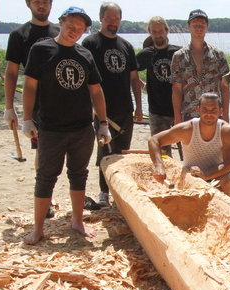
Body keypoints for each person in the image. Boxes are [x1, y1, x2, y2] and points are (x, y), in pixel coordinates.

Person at [20, 6, 109, 245]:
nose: (75, 32)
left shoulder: (85, 54)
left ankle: (77, 221)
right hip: (50, 128)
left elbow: (96, 91)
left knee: (79, 175)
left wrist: (102, 123)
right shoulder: (41, 50)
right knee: (46, 176)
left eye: (80, 30)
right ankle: (38, 228)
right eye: (71, 27)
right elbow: (30, 86)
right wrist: (26, 118)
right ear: (61, 22)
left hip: (81, 129)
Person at [82, 2, 143, 207]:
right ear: (101, 18)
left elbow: (134, 79)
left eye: (116, 19)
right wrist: (92, 110)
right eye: (109, 18)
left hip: (125, 108)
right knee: (105, 152)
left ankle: (118, 191)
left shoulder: (125, 46)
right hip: (102, 111)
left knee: (122, 154)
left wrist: (140, 107)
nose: (113, 23)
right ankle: (103, 191)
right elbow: (85, 79)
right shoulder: (90, 43)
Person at [4, 0, 60, 218]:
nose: (42, 5)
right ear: (28, 3)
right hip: (37, 104)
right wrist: (9, 107)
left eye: (45, 1)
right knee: (43, 151)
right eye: (37, 1)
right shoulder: (19, 35)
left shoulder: (59, 30)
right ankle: (45, 198)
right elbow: (11, 72)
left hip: (63, 102)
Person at [148, 92, 230, 196]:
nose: (209, 114)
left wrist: (206, 175)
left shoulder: (226, 130)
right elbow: (154, 140)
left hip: (216, 174)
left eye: (213, 110)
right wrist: (159, 166)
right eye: (205, 110)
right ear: (198, 109)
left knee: (229, 181)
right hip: (191, 174)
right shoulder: (187, 129)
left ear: (221, 111)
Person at [171, 10, 230, 136]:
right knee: (189, 154)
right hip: (189, 114)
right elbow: (177, 89)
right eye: (195, 24)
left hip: (213, 114)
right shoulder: (179, 56)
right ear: (189, 27)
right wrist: (177, 118)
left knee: (215, 154)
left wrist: (225, 115)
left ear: (207, 27)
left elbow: (224, 87)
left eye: (202, 24)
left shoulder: (218, 55)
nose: (198, 27)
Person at [136, 16, 180, 156]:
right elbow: (130, 73)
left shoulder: (178, 53)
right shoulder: (145, 54)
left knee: (187, 151)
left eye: (160, 31)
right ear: (150, 32)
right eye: (154, 31)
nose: (158, 34)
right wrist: (143, 86)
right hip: (157, 111)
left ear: (167, 31)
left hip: (179, 109)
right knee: (162, 153)